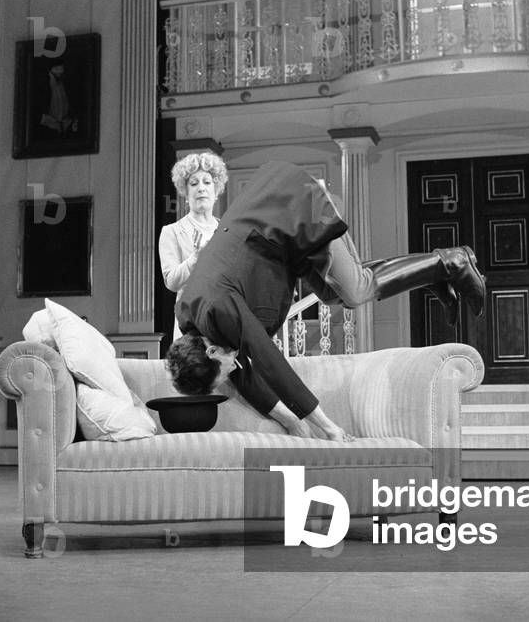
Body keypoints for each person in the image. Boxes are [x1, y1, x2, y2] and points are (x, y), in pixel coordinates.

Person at [165, 161, 486, 442]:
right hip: (279, 240)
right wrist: (292, 422)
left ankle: (450, 262)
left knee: (356, 289)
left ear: (210, 351)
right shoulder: (192, 319)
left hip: (292, 207)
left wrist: (327, 426)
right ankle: (432, 273)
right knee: (336, 293)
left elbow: (269, 362)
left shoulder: (218, 309)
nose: (231, 371)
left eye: (222, 372)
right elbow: (243, 376)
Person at [158, 152, 229, 340]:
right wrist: (197, 257)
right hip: (190, 322)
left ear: (216, 191)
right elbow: (172, 281)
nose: (201, 188)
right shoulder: (172, 231)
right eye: (194, 183)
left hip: (225, 320)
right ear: (186, 193)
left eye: (207, 182)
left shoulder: (227, 231)